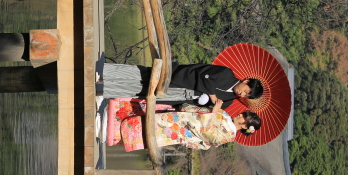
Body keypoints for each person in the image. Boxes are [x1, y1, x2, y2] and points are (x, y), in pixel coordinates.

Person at [105, 97, 260, 152]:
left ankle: (113, 135)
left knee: (146, 132)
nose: (239, 115)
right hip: (179, 119)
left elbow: (206, 134)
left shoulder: (228, 136)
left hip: (181, 131)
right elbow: (200, 112)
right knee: (148, 119)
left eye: (243, 118)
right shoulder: (225, 115)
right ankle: (112, 120)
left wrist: (213, 113)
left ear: (245, 127)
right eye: (242, 114)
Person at [100, 62, 263, 110]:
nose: (243, 95)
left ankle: (103, 90)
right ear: (246, 81)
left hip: (181, 96)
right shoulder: (227, 73)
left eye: (247, 96)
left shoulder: (228, 101)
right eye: (247, 91)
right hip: (179, 76)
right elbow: (204, 75)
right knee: (142, 74)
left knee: (140, 91)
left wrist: (214, 110)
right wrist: (212, 94)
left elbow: (203, 108)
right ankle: (103, 72)